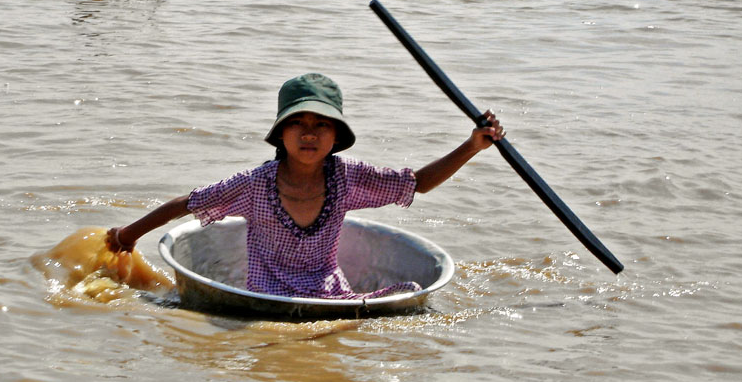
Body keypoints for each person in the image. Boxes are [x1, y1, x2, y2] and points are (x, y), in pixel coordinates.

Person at [106, 73, 504, 300]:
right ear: (281, 134)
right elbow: (186, 204)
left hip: (330, 293)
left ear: (336, 136)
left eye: (321, 125)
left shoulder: (348, 177)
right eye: (298, 123)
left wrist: (472, 145)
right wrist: (127, 234)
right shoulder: (254, 185)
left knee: (412, 294)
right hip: (267, 295)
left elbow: (416, 185)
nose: (309, 134)